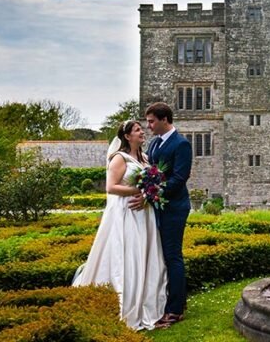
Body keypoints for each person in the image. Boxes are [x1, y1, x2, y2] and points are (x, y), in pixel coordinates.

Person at [73, 120, 167, 330]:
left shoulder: (144, 158)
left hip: (144, 213)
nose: (142, 132)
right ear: (127, 136)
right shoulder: (119, 158)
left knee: (146, 254)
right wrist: (140, 191)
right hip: (127, 214)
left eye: (141, 129)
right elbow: (111, 187)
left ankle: (147, 302)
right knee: (129, 255)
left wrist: (149, 192)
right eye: (137, 130)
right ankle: (125, 302)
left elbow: (153, 182)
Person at [132, 102, 190, 328]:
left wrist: (149, 195)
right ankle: (166, 301)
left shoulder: (181, 144)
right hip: (158, 206)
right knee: (161, 256)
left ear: (165, 119)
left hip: (174, 208)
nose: (149, 126)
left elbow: (179, 179)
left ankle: (176, 310)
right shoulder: (155, 144)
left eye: (152, 121)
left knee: (173, 256)